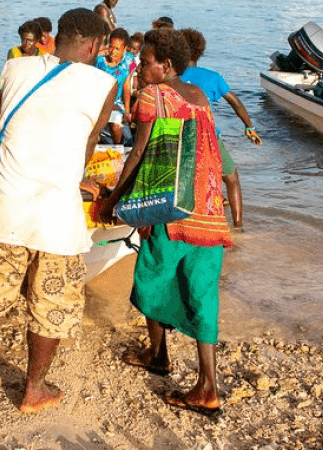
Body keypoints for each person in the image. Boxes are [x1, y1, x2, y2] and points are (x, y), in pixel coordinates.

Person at [0, 8, 117, 420]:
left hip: (5, 207)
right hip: (56, 216)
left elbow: (11, 117)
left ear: (57, 37)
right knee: (52, 304)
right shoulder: (105, 82)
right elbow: (88, 144)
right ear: (93, 45)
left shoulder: (15, 67)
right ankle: (33, 390)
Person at [99, 28, 231, 418]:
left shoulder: (152, 97)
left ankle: (157, 355)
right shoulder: (200, 96)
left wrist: (113, 200)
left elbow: (137, 154)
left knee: (151, 278)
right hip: (209, 210)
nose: (138, 69)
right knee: (203, 294)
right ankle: (208, 385)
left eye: (145, 62)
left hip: (173, 210)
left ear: (167, 65)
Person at [179, 28, 261, 229]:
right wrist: (249, 127)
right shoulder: (212, 77)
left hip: (179, 136)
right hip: (208, 138)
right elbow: (236, 102)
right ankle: (238, 226)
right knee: (231, 178)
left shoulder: (172, 76)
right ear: (200, 52)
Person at [95, 28, 132, 145]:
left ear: (124, 49)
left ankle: (118, 148)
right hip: (99, 101)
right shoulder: (100, 61)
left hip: (116, 103)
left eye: (117, 48)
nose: (113, 51)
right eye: (111, 47)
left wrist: (127, 111)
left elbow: (126, 87)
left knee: (116, 126)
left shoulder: (128, 62)